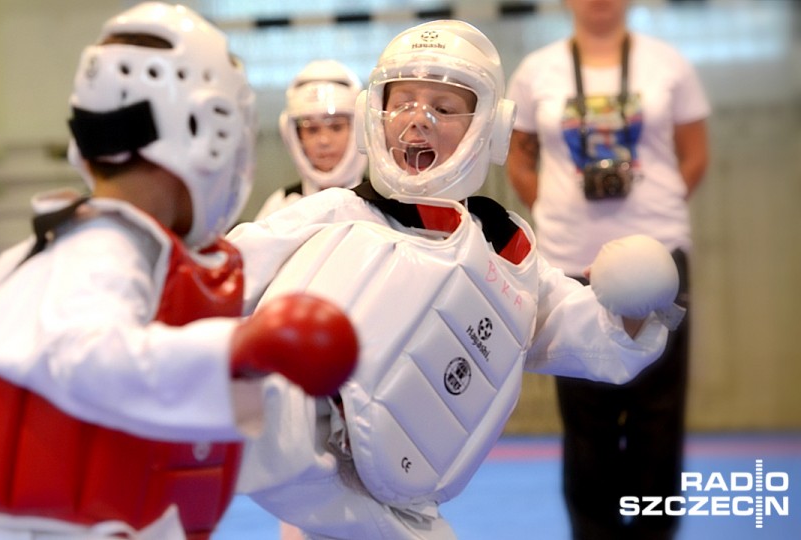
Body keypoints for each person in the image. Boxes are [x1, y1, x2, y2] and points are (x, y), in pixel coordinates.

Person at [228, 19, 683, 539]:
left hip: (408, 504)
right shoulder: (335, 214)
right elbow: (225, 275)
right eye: (401, 104)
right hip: (312, 491)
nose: (416, 122)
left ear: (490, 127)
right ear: (372, 115)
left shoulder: (502, 245)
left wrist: (635, 300)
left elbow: (582, 332)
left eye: (443, 109)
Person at [0, 3, 358, 539]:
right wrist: (239, 349)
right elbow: (84, 354)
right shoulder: (98, 251)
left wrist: (345, 207)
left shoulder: (108, 242)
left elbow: (250, 250)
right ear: (207, 130)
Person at [505, 0, 710, 538]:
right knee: (585, 417)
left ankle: (652, 533)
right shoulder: (537, 71)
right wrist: (549, 208)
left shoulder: (668, 64)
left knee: (658, 413)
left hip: (660, 259)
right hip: (570, 260)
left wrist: (651, 219)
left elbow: (694, 154)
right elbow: (520, 157)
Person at [255, 60, 367, 220]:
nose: (324, 140)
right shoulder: (280, 206)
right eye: (312, 129)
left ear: (358, 128)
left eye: (336, 127)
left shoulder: (382, 205)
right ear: (294, 135)